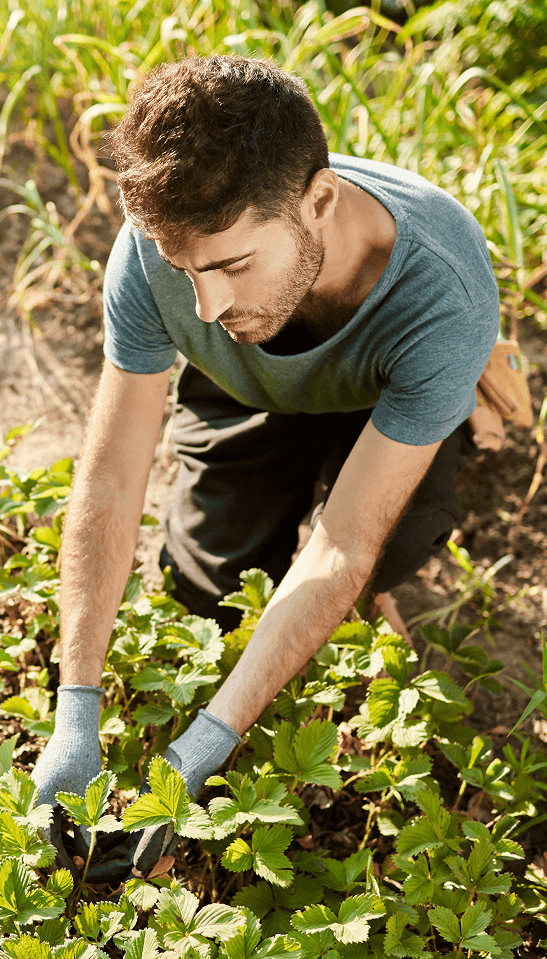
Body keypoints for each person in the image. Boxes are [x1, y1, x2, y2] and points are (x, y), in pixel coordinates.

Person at [30, 55, 501, 875]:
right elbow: (109, 476)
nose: (203, 306)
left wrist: (201, 751)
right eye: (184, 271)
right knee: (201, 591)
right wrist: (75, 709)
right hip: (246, 383)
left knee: (384, 549)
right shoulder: (157, 255)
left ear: (317, 202)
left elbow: (340, 541)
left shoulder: (443, 290)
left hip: (381, 398)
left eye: (232, 265)